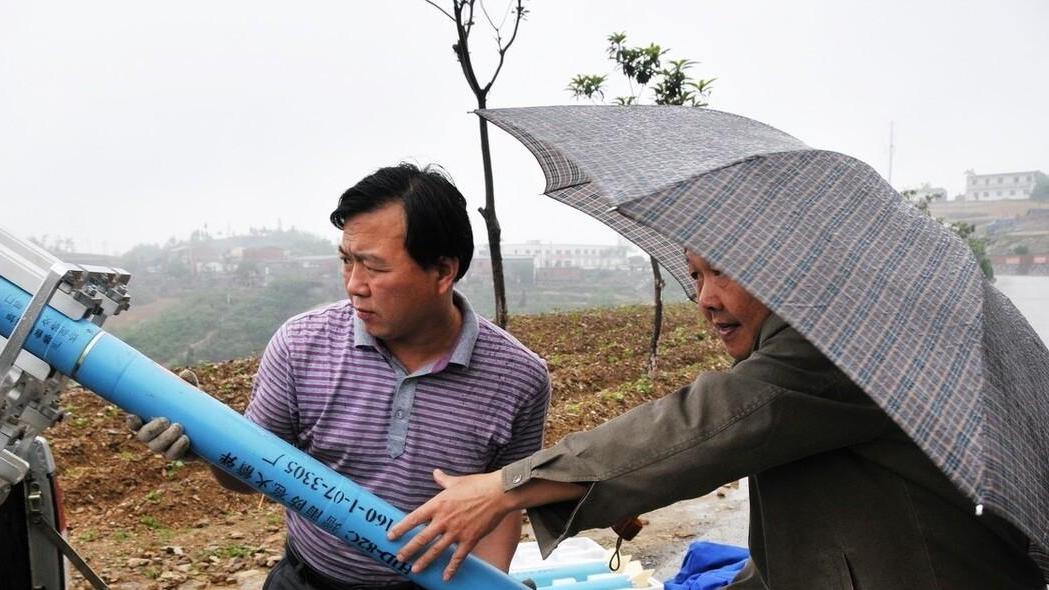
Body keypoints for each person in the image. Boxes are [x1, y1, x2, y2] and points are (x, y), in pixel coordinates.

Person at [390, 250, 1046, 589]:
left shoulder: (841, 346)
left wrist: (509, 486)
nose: (704, 298)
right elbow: (813, 547)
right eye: (694, 274)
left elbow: (706, 424)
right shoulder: (838, 341)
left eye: (723, 272)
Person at [131, 163, 551, 589]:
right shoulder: (302, 345)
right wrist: (204, 440)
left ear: (443, 272)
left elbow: (502, 504)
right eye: (347, 261)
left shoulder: (517, 378)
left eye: (374, 267)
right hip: (307, 580)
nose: (354, 285)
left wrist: (490, 586)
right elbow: (250, 475)